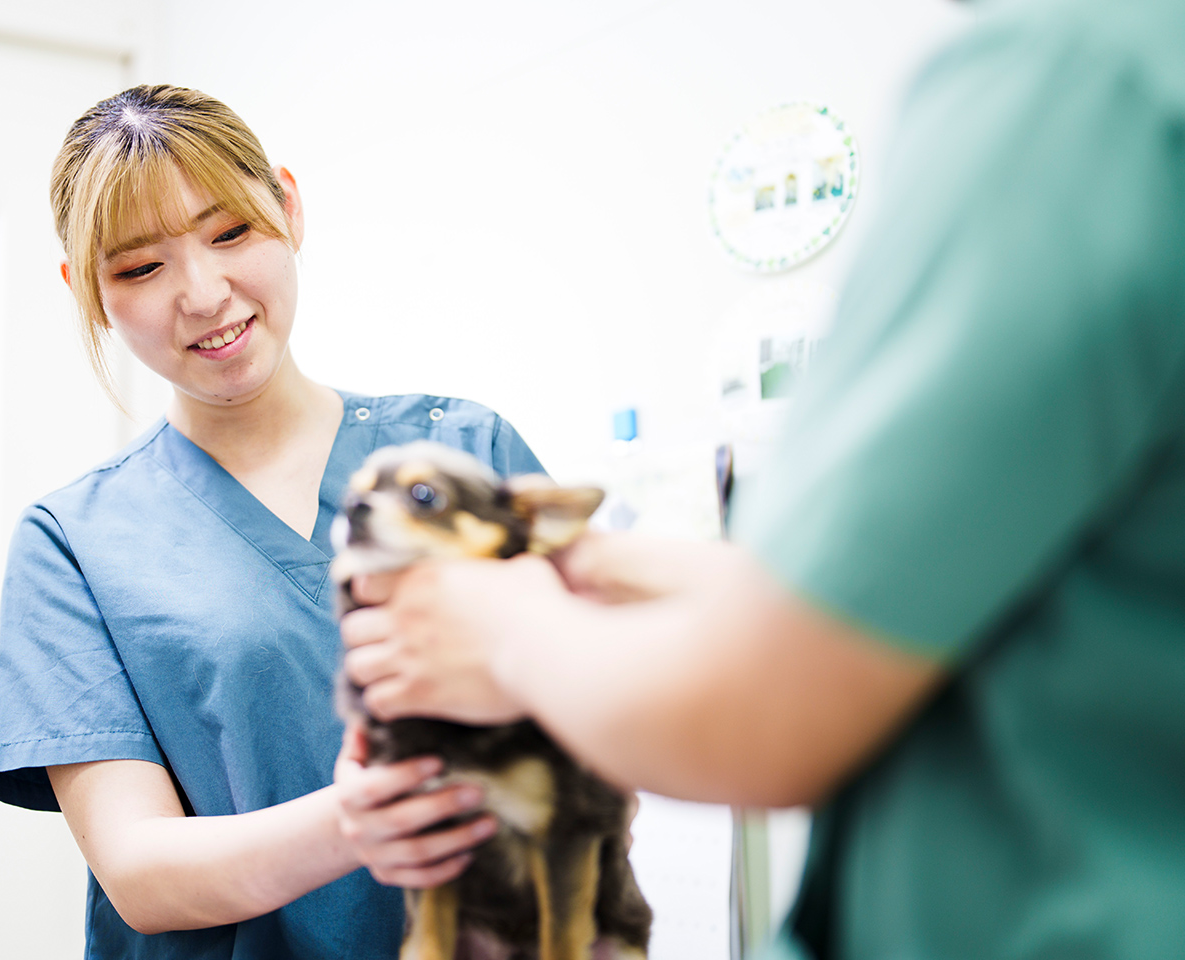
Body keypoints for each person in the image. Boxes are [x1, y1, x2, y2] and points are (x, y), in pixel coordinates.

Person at [333, 0, 1185, 957]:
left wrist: (506, 632)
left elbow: (759, 714)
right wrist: (611, 572)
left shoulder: (1076, 81)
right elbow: (974, 602)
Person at [0, 84, 545, 960]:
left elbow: (591, 738)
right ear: (87, 291)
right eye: (139, 268)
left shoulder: (465, 451)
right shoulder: (73, 543)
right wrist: (361, 820)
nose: (204, 294)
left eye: (230, 232)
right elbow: (141, 874)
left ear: (288, 205)